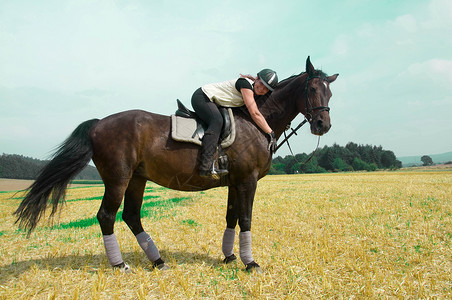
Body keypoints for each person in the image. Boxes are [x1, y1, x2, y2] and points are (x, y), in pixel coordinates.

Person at [191, 68, 279, 178]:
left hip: (213, 102)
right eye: (261, 84)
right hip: (202, 97)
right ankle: (206, 165)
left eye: (266, 89)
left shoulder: (253, 91)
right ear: (257, 78)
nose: (262, 89)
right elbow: (254, 113)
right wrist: (270, 132)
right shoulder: (246, 85)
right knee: (217, 121)